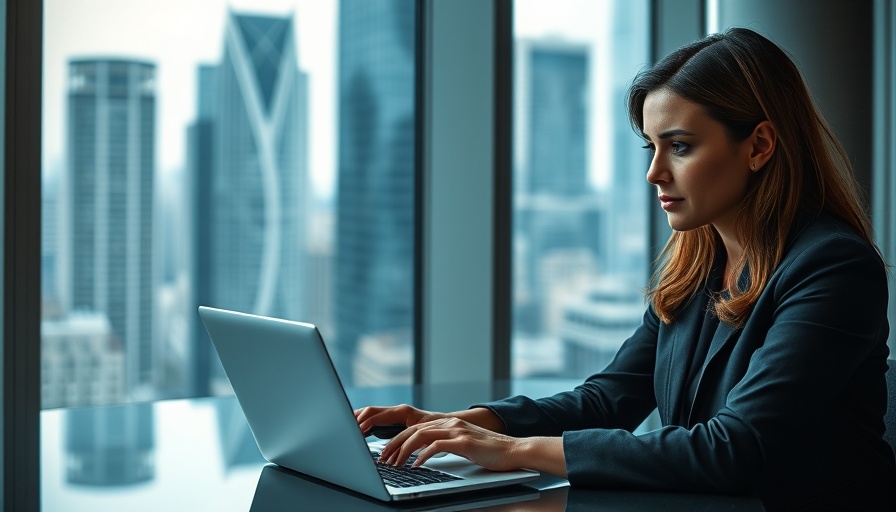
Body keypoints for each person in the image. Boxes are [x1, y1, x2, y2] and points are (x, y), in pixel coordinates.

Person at [354, 27, 896, 511]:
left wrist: (514, 451)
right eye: (651, 147)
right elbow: (608, 399)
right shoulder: (697, 266)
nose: (654, 172)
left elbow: (735, 450)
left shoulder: (833, 268)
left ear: (758, 145)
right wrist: (472, 423)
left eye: (679, 147)